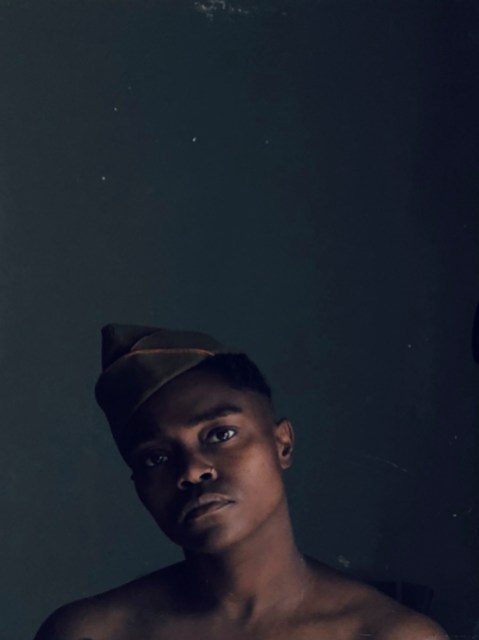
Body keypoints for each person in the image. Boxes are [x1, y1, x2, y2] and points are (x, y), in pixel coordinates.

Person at [35, 324, 448, 640]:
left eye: (220, 434)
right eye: (156, 458)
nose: (193, 470)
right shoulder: (92, 632)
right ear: (139, 487)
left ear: (282, 444)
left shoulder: (390, 635)